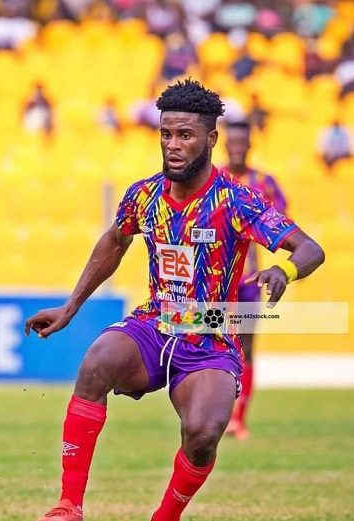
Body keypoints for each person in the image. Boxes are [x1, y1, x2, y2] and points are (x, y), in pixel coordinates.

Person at [25, 79, 325, 521]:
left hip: (211, 332)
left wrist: (285, 270)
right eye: (166, 134)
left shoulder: (237, 200)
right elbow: (115, 241)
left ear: (211, 139)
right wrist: (70, 307)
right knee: (96, 363)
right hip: (157, 321)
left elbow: (310, 249)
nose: (172, 145)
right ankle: (68, 506)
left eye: (185, 135)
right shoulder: (144, 195)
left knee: (202, 433)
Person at [222, 120, 287, 440]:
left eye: (242, 142)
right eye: (232, 142)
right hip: (216, 282)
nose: (237, 148)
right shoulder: (214, 179)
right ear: (224, 144)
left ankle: (239, 419)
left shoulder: (264, 182)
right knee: (214, 345)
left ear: (249, 145)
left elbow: (281, 223)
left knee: (246, 347)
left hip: (247, 282)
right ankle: (215, 415)